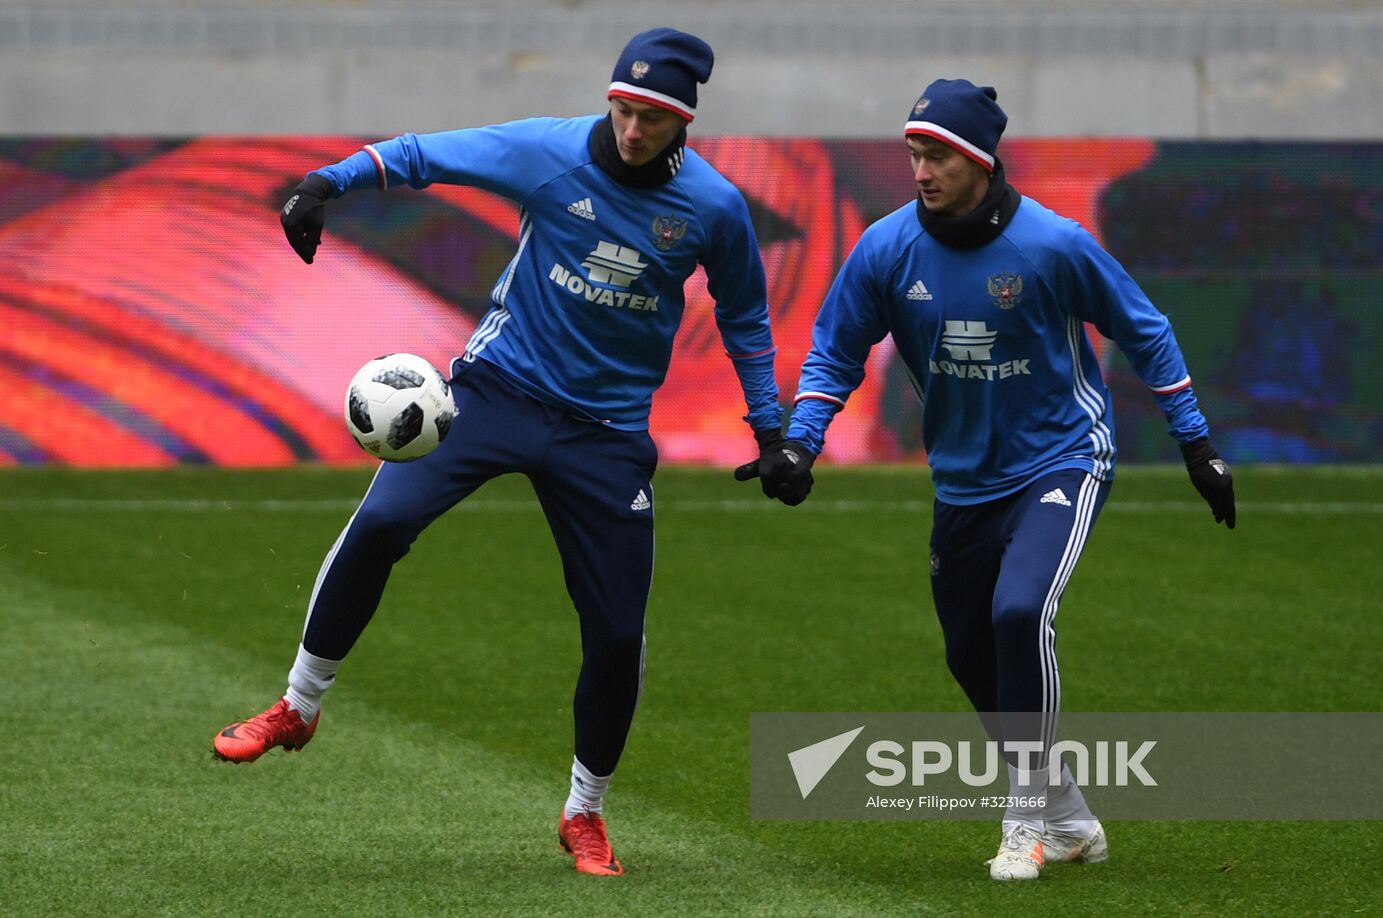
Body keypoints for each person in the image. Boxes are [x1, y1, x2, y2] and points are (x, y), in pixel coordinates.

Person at [212, 28, 796, 876]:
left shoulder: (714, 209)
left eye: (654, 119)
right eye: (624, 109)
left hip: (606, 436)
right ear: (610, 99)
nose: (633, 130)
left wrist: (771, 431)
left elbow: (745, 319)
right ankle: (297, 706)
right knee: (381, 526)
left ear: (684, 124)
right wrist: (322, 185)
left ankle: (584, 813)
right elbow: (420, 156)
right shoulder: (547, 151)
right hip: (494, 394)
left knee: (616, 632)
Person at [758, 79, 1236, 880]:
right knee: (967, 653)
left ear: (980, 160)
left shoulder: (1053, 245)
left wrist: (1196, 445)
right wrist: (801, 445)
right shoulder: (885, 249)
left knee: (1019, 612)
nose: (921, 169)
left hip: (1063, 459)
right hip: (963, 483)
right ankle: (1072, 815)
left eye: (938, 154)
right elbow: (837, 348)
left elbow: (1146, 330)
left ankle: (1025, 823)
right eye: (914, 153)